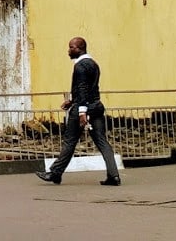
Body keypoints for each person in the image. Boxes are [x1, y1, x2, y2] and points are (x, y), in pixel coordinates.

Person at [36, 37, 121, 186]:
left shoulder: (80, 66)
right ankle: (114, 176)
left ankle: (55, 173)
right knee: (102, 141)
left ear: (80, 48)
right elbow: (90, 88)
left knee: (70, 141)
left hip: (83, 108)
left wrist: (81, 112)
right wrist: (72, 100)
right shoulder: (94, 64)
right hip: (96, 106)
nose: (69, 50)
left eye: (71, 47)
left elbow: (82, 89)